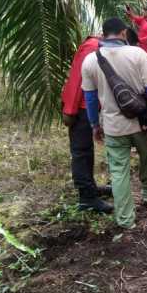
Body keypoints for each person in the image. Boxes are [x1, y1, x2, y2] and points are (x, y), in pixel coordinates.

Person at [81, 18, 147, 229]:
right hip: (142, 123)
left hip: (113, 127)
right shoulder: (138, 54)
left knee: (119, 171)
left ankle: (125, 220)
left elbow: (91, 99)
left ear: (104, 35)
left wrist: (95, 124)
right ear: (123, 33)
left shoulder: (90, 61)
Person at [61, 36, 114, 214]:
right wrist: (70, 110)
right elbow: (77, 81)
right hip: (80, 107)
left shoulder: (102, 47)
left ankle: (91, 187)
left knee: (87, 150)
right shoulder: (92, 48)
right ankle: (87, 198)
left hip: (89, 106)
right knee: (81, 152)